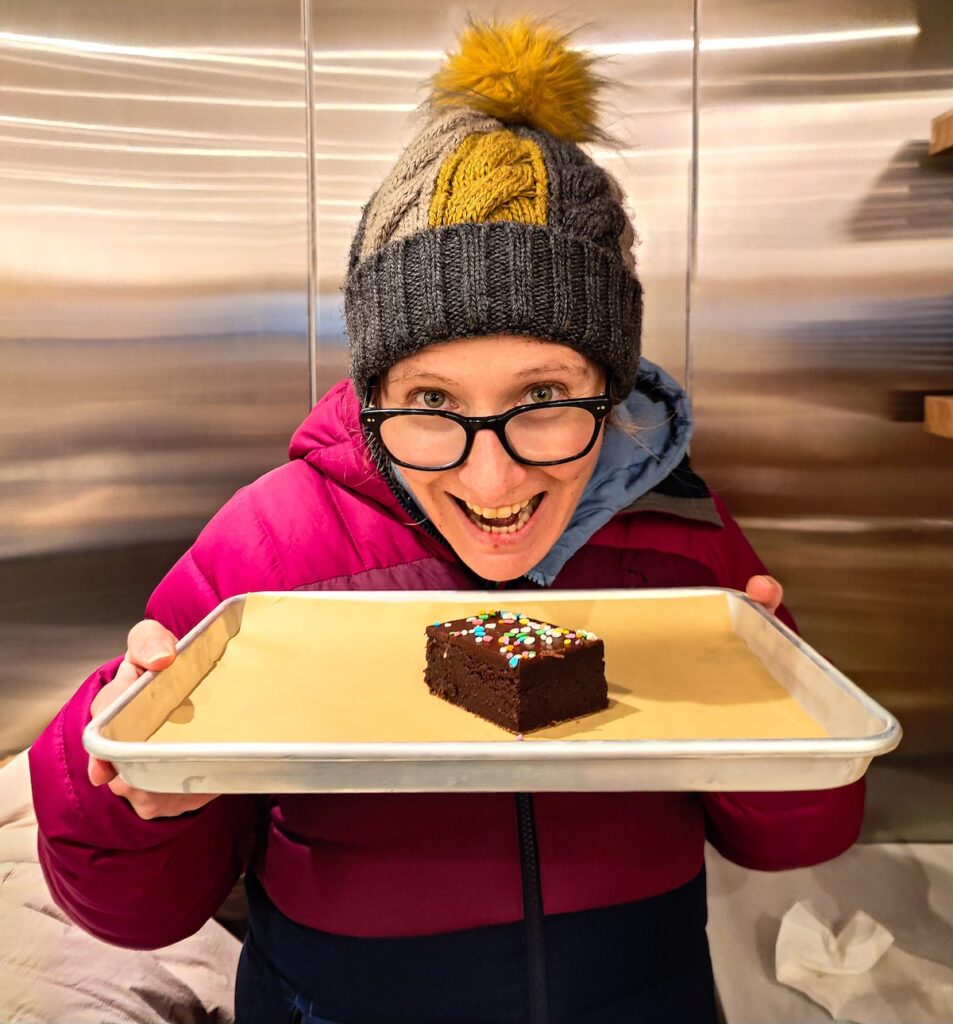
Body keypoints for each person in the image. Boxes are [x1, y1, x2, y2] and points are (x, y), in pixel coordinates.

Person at [29, 18, 864, 1024]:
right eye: (430, 403)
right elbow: (139, 909)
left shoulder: (681, 540)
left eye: (544, 393)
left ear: (614, 384)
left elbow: (793, 841)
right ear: (374, 391)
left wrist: (773, 714)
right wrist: (119, 773)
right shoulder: (266, 555)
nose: (493, 474)